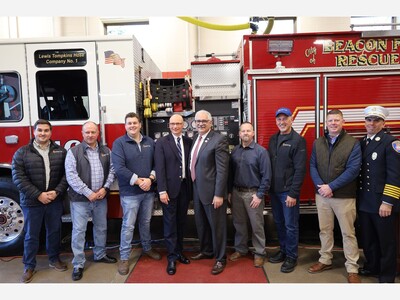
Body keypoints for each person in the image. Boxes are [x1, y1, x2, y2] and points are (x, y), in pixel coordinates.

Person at [308, 109, 362, 284]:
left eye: (336, 120)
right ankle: (325, 259)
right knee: (325, 230)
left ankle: (352, 267)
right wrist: (322, 188)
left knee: (348, 233)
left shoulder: (353, 143)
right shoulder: (318, 143)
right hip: (322, 196)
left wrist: (331, 186)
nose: (333, 123)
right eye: (330, 120)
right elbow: (313, 166)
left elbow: (353, 170)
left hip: (344, 196)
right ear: (326, 122)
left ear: (343, 122)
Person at [11, 119, 68, 283]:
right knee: (31, 234)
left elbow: (67, 175)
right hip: (32, 202)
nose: (43, 133)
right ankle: (29, 266)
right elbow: (18, 179)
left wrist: (57, 192)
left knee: (54, 231)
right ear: (34, 132)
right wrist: (38, 195)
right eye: (40, 130)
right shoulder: (22, 153)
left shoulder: (61, 152)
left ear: (51, 133)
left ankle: (54, 259)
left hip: (54, 200)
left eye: (46, 131)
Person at [65, 121, 117, 281]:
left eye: (93, 132)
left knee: (101, 227)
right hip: (81, 199)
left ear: (97, 134)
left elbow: (112, 170)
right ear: (82, 133)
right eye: (87, 132)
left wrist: (105, 189)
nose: (90, 135)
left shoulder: (106, 151)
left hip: (100, 198)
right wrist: (88, 193)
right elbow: (71, 176)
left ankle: (100, 254)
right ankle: (78, 264)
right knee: (79, 231)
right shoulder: (73, 152)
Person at [112, 112, 161, 276]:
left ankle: (147, 248)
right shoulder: (119, 143)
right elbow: (119, 168)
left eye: (135, 122)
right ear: (125, 126)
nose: (132, 125)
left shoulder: (150, 142)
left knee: (146, 222)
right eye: (129, 123)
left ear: (140, 124)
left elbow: (157, 163)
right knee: (128, 225)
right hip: (130, 192)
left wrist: (151, 178)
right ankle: (124, 258)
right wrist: (140, 181)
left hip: (148, 191)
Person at [357, 105, 400, 283]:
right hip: (365, 201)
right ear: (365, 122)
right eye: (369, 120)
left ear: (383, 123)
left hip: (382, 203)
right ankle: (373, 266)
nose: (372, 123)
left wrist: (388, 202)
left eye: (376, 120)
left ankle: (388, 275)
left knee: (386, 241)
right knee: (368, 239)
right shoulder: (361, 142)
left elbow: (396, 175)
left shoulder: (391, 143)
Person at [189, 109, 230, 275]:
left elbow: (222, 170)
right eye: (198, 121)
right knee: (201, 223)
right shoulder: (196, 138)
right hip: (197, 189)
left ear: (210, 122)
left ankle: (220, 259)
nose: (200, 123)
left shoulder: (219, 140)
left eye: (203, 121)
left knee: (217, 227)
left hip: (213, 193)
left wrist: (219, 194)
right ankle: (206, 250)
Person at [268, 107, 307, 273]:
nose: (282, 122)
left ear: (291, 120)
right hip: (274, 192)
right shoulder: (273, 139)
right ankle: (283, 250)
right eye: (279, 119)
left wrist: (293, 193)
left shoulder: (297, 141)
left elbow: (300, 170)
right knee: (279, 222)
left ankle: (292, 256)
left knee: (291, 225)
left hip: (287, 193)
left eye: (285, 119)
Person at [228, 122, 271, 268]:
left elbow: (267, 176)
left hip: (253, 194)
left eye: (248, 131)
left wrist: (259, 195)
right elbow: (230, 174)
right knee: (239, 223)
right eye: (243, 131)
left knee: (256, 225)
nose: (245, 133)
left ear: (253, 133)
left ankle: (260, 253)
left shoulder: (261, 152)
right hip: (236, 193)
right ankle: (241, 249)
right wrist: (229, 192)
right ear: (239, 134)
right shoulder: (234, 152)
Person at [154, 114, 193, 275]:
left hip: (184, 188)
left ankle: (179, 252)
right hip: (168, 191)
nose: (176, 126)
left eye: (178, 123)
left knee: (181, 222)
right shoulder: (162, 143)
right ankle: (171, 257)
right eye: (173, 124)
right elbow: (159, 168)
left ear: (183, 124)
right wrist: (162, 190)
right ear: (168, 126)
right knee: (170, 224)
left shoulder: (189, 141)